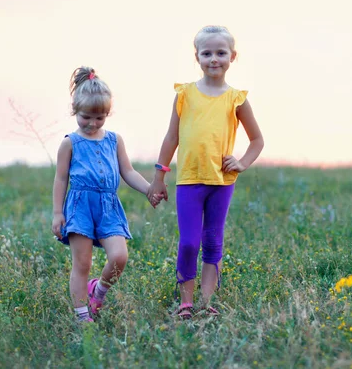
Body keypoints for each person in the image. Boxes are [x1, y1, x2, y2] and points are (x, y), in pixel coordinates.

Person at [147, 25, 264, 319]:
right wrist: (159, 177)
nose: (214, 59)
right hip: (189, 181)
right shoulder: (185, 94)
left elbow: (257, 140)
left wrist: (242, 163)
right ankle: (185, 301)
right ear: (196, 57)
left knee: (213, 240)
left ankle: (205, 301)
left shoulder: (237, 98)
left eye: (221, 53)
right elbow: (171, 138)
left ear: (232, 56)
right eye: (207, 53)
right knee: (189, 242)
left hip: (222, 182)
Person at [52, 66, 160, 322]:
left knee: (119, 256)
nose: (92, 123)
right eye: (86, 116)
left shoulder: (114, 140)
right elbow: (60, 178)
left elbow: (128, 171)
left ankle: (97, 290)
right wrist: (58, 213)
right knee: (82, 264)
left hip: (109, 206)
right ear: (75, 110)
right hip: (79, 206)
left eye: (99, 117)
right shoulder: (70, 143)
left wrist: (148, 189)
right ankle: (82, 316)